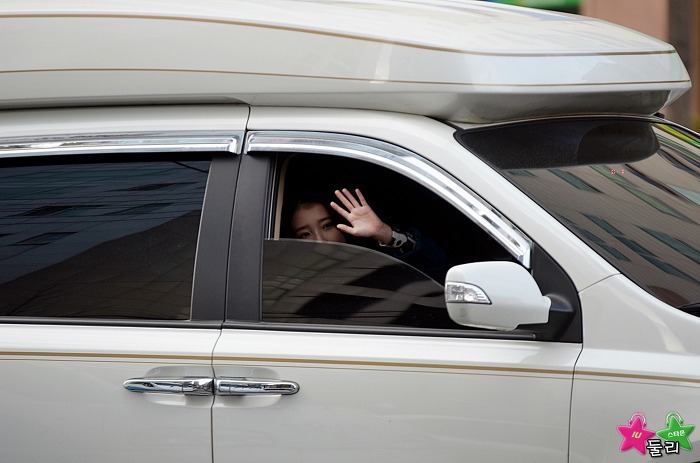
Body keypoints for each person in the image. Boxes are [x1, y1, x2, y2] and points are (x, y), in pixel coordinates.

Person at [289, 187, 448, 281]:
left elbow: (437, 266)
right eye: (305, 235)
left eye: (327, 226)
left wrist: (385, 233)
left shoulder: (376, 266)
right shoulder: (290, 286)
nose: (320, 241)